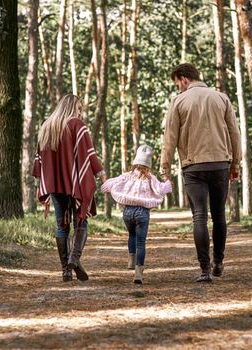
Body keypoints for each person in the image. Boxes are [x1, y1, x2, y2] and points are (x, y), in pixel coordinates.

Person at [160, 63, 242, 283]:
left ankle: (205, 269)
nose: (177, 88)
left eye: (177, 83)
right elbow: (235, 133)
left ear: (184, 79)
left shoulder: (179, 101)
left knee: (199, 216)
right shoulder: (222, 98)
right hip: (220, 165)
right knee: (219, 215)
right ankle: (219, 262)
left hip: (193, 166)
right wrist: (236, 164)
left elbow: (170, 138)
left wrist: (165, 167)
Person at [32, 94, 106, 282]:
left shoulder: (46, 127)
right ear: (72, 107)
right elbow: (89, 154)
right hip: (75, 184)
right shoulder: (77, 125)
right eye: (79, 108)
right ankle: (74, 258)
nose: (80, 112)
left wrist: (41, 185)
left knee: (61, 225)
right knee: (80, 220)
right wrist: (101, 173)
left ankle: (66, 270)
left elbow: (39, 160)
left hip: (54, 184)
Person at [101, 145, 172, 284]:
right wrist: (167, 180)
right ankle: (138, 273)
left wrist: (107, 186)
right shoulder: (151, 178)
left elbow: (110, 183)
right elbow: (162, 189)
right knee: (141, 242)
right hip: (142, 212)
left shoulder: (127, 176)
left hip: (127, 212)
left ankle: (131, 260)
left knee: (131, 235)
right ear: (149, 164)